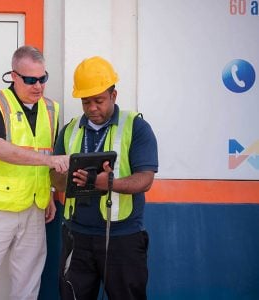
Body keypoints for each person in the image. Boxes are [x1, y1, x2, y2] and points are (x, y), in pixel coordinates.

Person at [0, 45, 69, 300]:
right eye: (31, 80)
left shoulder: (51, 109)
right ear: (14, 76)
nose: (38, 86)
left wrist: (50, 193)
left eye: (43, 79)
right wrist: (50, 162)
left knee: (28, 285)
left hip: (34, 208)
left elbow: (48, 151)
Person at [50, 56, 158, 300]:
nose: (92, 108)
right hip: (76, 237)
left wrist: (107, 183)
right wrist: (67, 178)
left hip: (123, 238)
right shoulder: (69, 129)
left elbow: (145, 180)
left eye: (98, 101)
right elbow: (53, 181)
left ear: (114, 95)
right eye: (85, 102)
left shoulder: (136, 127)